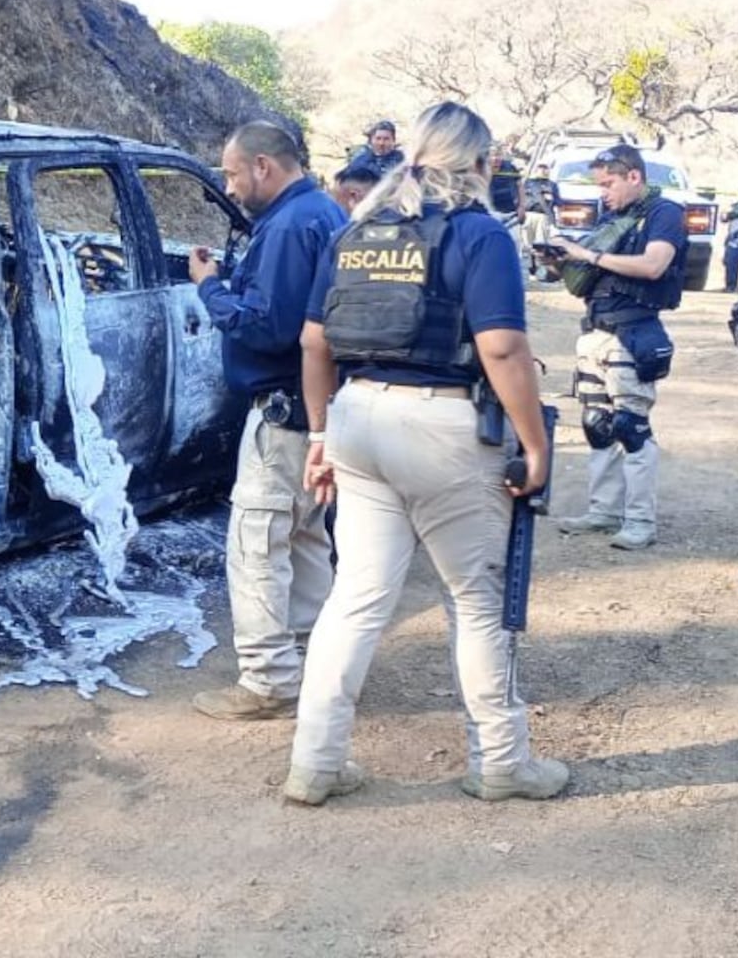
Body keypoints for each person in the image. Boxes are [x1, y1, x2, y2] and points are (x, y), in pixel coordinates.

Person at [283, 101, 569, 806]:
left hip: (356, 419)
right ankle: (502, 762)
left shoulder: (356, 232)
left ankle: (314, 764)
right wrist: (535, 446)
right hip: (441, 425)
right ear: (478, 163)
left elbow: (314, 343)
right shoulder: (478, 235)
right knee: (476, 602)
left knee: (355, 600)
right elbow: (502, 347)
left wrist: (319, 437)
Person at [188, 121, 347, 719]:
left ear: (262, 165)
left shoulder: (286, 227)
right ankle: (315, 662)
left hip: (281, 416)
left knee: (258, 545)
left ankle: (268, 681)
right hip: (317, 412)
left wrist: (210, 289)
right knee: (306, 541)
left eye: (231, 173)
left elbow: (269, 326)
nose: (229, 186)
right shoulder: (324, 214)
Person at [548, 144, 688, 551]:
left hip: (634, 331)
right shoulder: (613, 217)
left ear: (634, 176)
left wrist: (587, 253)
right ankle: (604, 510)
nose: (603, 193)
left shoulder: (664, 214)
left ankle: (640, 520)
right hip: (596, 330)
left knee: (632, 427)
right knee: (597, 423)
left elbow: (653, 265)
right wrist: (561, 262)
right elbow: (595, 272)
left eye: (609, 184)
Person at [523, 163, 559, 251]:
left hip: (543, 216)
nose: (543, 171)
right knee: (527, 244)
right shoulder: (528, 182)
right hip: (528, 215)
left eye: (545, 168)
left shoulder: (551, 184)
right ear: (536, 170)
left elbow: (558, 201)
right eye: (540, 168)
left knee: (541, 243)